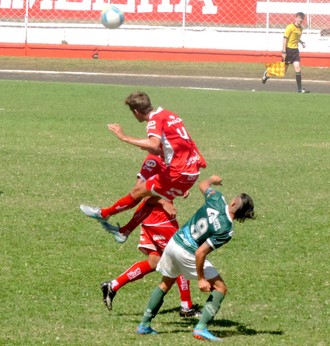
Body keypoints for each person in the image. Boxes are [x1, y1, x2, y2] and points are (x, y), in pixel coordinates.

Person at [136, 175, 255, 342]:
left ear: (234, 203)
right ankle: (201, 328)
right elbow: (200, 253)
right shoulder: (226, 229)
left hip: (174, 243)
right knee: (220, 288)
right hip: (187, 252)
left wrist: (212, 180)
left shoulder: (217, 198)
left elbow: (203, 184)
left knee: (166, 283)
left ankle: (144, 325)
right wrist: (201, 279)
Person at [80, 91, 206, 241]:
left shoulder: (154, 120)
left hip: (178, 172)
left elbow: (153, 143)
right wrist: (156, 149)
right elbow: (172, 145)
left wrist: (124, 137)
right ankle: (124, 232)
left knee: (138, 191)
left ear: (136, 112)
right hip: (192, 171)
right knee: (151, 199)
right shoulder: (170, 115)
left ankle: (103, 214)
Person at [99, 153, 200, 317]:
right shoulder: (153, 160)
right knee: (181, 256)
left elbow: (164, 184)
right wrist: (164, 202)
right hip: (159, 219)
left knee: (154, 262)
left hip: (151, 220)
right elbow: (142, 192)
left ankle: (113, 285)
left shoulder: (167, 158)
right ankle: (186, 307)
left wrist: (179, 190)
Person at [262, 12, 310, 93]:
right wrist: (284, 51)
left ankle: (299, 89)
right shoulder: (290, 27)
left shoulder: (301, 29)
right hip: (288, 50)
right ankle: (267, 74)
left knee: (298, 69)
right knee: (282, 72)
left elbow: (296, 38)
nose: (300, 20)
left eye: (302, 18)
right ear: (296, 18)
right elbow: (285, 39)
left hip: (295, 51)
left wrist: (301, 42)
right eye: (299, 18)